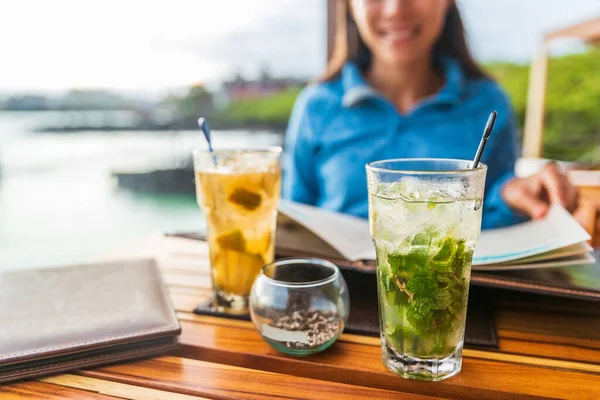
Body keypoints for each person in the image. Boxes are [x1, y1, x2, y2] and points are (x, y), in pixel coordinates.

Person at [283, 0, 579, 229]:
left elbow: (493, 221)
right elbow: (295, 223)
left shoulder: (488, 103)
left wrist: (513, 196)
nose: (395, 10)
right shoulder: (316, 106)